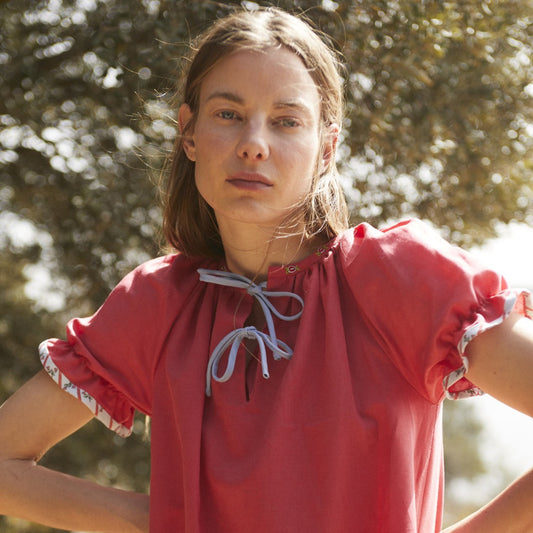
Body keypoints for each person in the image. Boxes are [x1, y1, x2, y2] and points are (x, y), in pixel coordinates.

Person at [0, 7, 532, 533]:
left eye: (286, 121)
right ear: (189, 133)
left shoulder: (401, 275)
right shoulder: (159, 302)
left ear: (326, 148)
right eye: (228, 114)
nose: (254, 143)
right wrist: (156, 517)